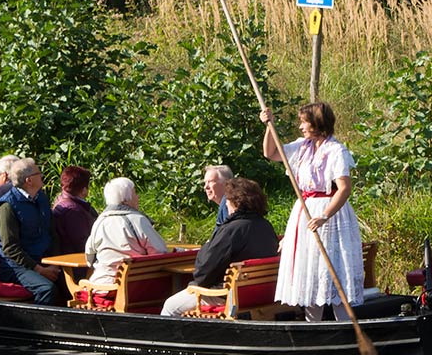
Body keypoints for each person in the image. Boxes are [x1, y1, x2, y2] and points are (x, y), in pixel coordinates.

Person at [261, 102, 365, 321]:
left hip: (330, 216)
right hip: (304, 212)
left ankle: (346, 326)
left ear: (317, 124)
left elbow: (344, 188)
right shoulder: (302, 147)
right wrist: (269, 126)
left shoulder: (336, 151)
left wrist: (324, 215)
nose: (301, 127)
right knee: (309, 269)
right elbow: (270, 152)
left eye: (304, 122)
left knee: (333, 269)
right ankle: (312, 325)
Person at [162, 178, 277, 316]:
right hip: (261, 294)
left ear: (235, 202)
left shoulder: (231, 230)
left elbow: (203, 273)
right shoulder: (266, 226)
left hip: (227, 296)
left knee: (170, 306)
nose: (226, 205)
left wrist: (207, 246)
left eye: (227, 201)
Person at [0, 157, 60, 305]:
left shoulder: (41, 199)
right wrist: (40, 270)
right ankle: (37, 326)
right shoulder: (7, 207)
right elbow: (10, 248)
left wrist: (55, 263)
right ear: (29, 180)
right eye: (39, 173)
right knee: (46, 289)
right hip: (16, 267)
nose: (42, 175)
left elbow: (52, 234)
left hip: (44, 260)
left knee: (72, 282)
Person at [84, 178, 169, 290]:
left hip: (99, 286)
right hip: (134, 287)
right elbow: (160, 252)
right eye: (134, 193)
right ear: (125, 200)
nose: (138, 197)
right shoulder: (137, 220)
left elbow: (89, 257)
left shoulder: (99, 222)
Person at [51, 165, 99, 256]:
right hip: (77, 263)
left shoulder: (60, 201)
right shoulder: (74, 211)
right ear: (84, 190)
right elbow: (83, 244)